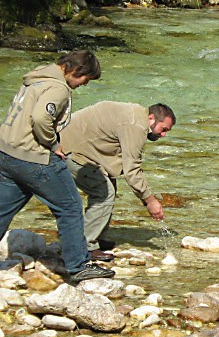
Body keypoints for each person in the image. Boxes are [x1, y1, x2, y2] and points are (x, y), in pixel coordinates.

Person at [0, 51, 115, 283]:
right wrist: (53, 144)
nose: (85, 84)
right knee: (70, 207)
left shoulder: (36, 78)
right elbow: (41, 118)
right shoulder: (58, 88)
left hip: (6, 152)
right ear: (74, 70)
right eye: (86, 78)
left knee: (3, 209)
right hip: (33, 157)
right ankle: (79, 265)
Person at [59, 101, 176, 260]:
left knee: (108, 184)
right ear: (151, 118)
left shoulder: (135, 114)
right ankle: (85, 246)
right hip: (69, 151)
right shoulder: (136, 126)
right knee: (104, 192)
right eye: (163, 129)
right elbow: (132, 170)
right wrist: (150, 200)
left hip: (74, 144)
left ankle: (97, 236)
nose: (164, 135)